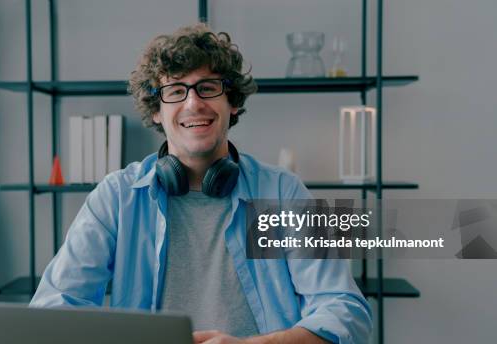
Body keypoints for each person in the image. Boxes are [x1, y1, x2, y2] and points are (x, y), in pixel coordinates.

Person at [30, 23, 372, 344]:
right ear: (155, 110)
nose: (193, 103)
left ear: (232, 103)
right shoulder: (117, 197)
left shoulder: (283, 193)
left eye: (207, 88)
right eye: (176, 90)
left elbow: (345, 311)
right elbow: (52, 309)